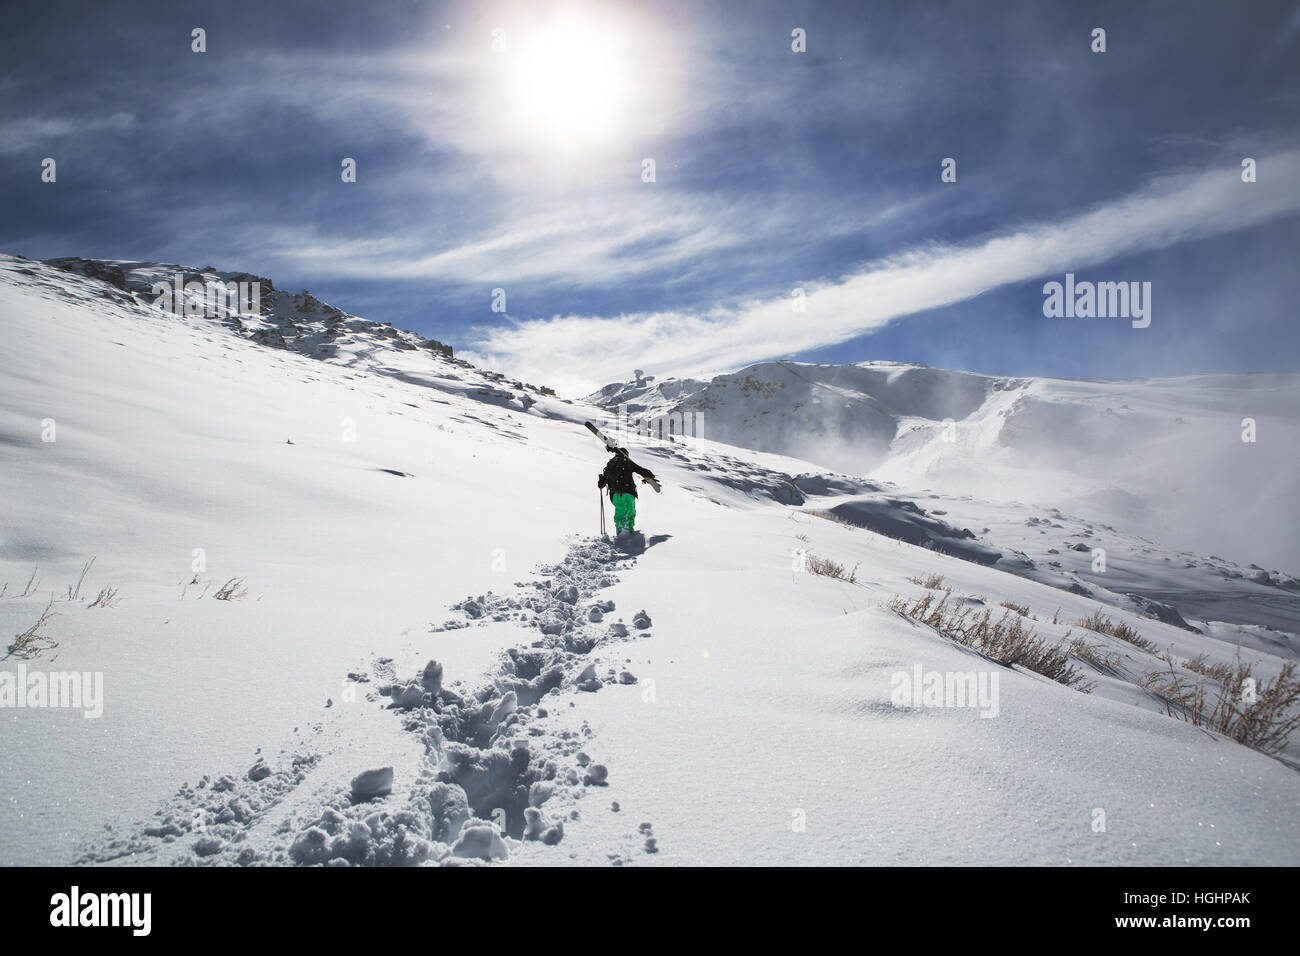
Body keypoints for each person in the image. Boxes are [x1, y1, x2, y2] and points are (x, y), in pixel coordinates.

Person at [597, 448, 657, 535]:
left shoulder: (610, 464)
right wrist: (649, 475)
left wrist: (601, 483)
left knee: (620, 511)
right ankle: (629, 528)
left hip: (616, 493)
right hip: (629, 491)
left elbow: (605, 478)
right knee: (630, 510)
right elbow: (639, 469)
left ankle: (620, 529)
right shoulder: (627, 462)